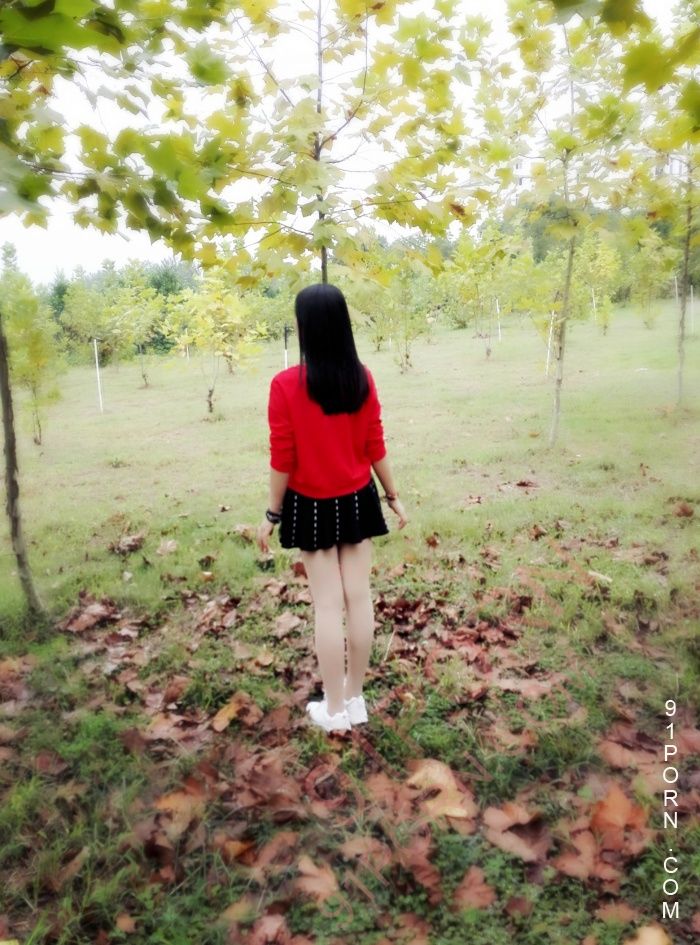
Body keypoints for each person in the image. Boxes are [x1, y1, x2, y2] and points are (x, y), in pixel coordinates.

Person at [256, 283, 408, 734]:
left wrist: (271, 514)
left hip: (312, 506)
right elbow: (374, 444)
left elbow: (282, 458)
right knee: (358, 597)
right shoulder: (361, 377)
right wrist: (393, 496)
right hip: (358, 498)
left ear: (304, 327)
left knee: (327, 605)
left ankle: (335, 709)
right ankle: (355, 700)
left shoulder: (285, 385)